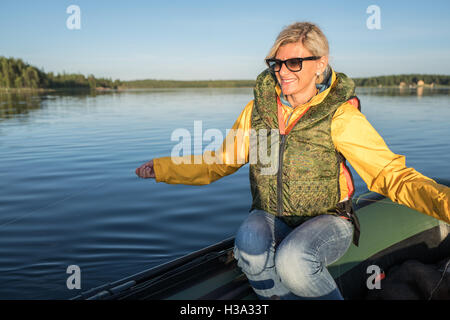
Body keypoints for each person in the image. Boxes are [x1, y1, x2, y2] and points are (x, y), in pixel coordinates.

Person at [135, 22, 450, 300]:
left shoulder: (341, 117)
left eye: (294, 62)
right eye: (277, 63)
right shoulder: (257, 112)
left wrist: (444, 204)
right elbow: (221, 160)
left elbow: (390, 175)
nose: (282, 71)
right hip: (273, 217)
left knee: (294, 260)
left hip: (329, 220)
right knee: (248, 240)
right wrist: (164, 168)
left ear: (320, 65)